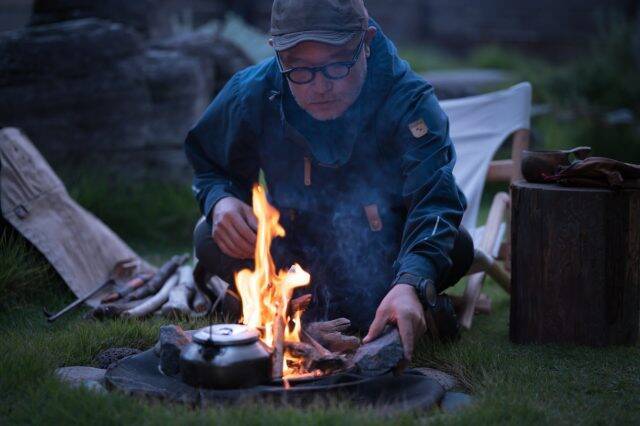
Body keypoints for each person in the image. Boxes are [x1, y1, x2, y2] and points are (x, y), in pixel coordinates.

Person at [185, 0, 474, 361]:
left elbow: (435, 200)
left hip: (383, 257)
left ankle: (389, 302)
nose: (320, 86)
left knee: (455, 245)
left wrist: (411, 282)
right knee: (208, 235)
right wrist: (221, 199)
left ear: (366, 42)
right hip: (293, 255)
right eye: (300, 69)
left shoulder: (409, 102)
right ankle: (313, 311)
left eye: (337, 66)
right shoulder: (253, 92)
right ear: (278, 54)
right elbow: (211, 163)